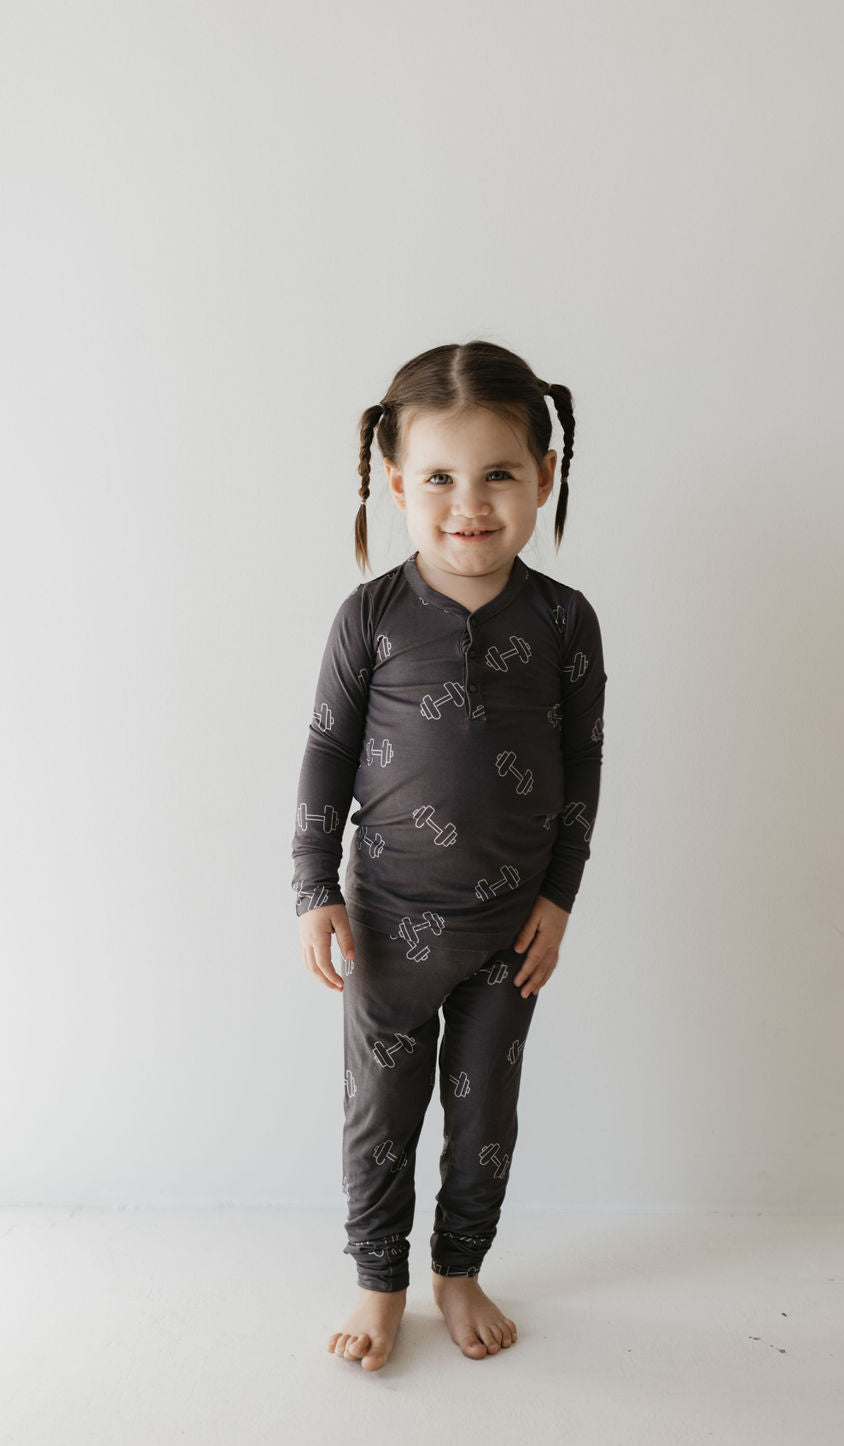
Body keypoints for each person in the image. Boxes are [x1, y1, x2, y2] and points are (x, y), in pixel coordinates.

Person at [291, 339, 606, 1371]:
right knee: (380, 1113)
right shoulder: (370, 616)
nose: (468, 503)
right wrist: (313, 890)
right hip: (386, 922)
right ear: (394, 485)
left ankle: (459, 1266)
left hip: (509, 929)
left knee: (485, 1120)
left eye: (498, 474)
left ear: (543, 477)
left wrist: (558, 900)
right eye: (438, 478)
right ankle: (378, 1280)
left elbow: (582, 769)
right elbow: (328, 754)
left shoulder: (565, 622)